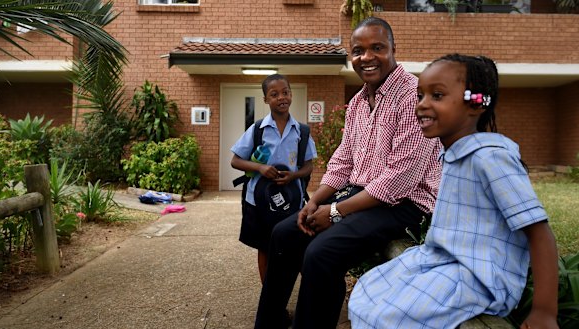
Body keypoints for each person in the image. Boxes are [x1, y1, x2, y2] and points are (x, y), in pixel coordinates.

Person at [254, 17, 442, 329]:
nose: (366, 57)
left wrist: (337, 211)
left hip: (404, 204)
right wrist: (315, 202)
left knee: (320, 253)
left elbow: (401, 178)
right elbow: (343, 159)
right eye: (358, 50)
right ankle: (269, 322)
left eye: (377, 48)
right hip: (360, 194)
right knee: (284, 234)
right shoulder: (357, 101)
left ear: (394, 49)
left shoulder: (413, 96)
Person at [348, 54, 559, 329]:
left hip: (479, 277)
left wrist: (544, 310)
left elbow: (538, 231)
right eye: (420, 95)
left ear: (475, 103)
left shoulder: (489, 158)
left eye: (437, 95)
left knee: (384, 316)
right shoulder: (451, 155)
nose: (422, 105)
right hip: (442, 260)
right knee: (368, 290)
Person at [231, 74, 317, 283]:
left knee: (292, 246)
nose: (281, 98)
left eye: (285, 92)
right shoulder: (257, 129)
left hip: (291, 201)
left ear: (291, 94)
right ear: (265, 99)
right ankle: (269, 299)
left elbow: (308, 166)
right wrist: (260, 168)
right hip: (259, 201)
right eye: (274, 94)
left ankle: (287, 292)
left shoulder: (301, 132)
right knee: (265, 247)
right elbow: (235, 160)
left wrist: (293, 175)